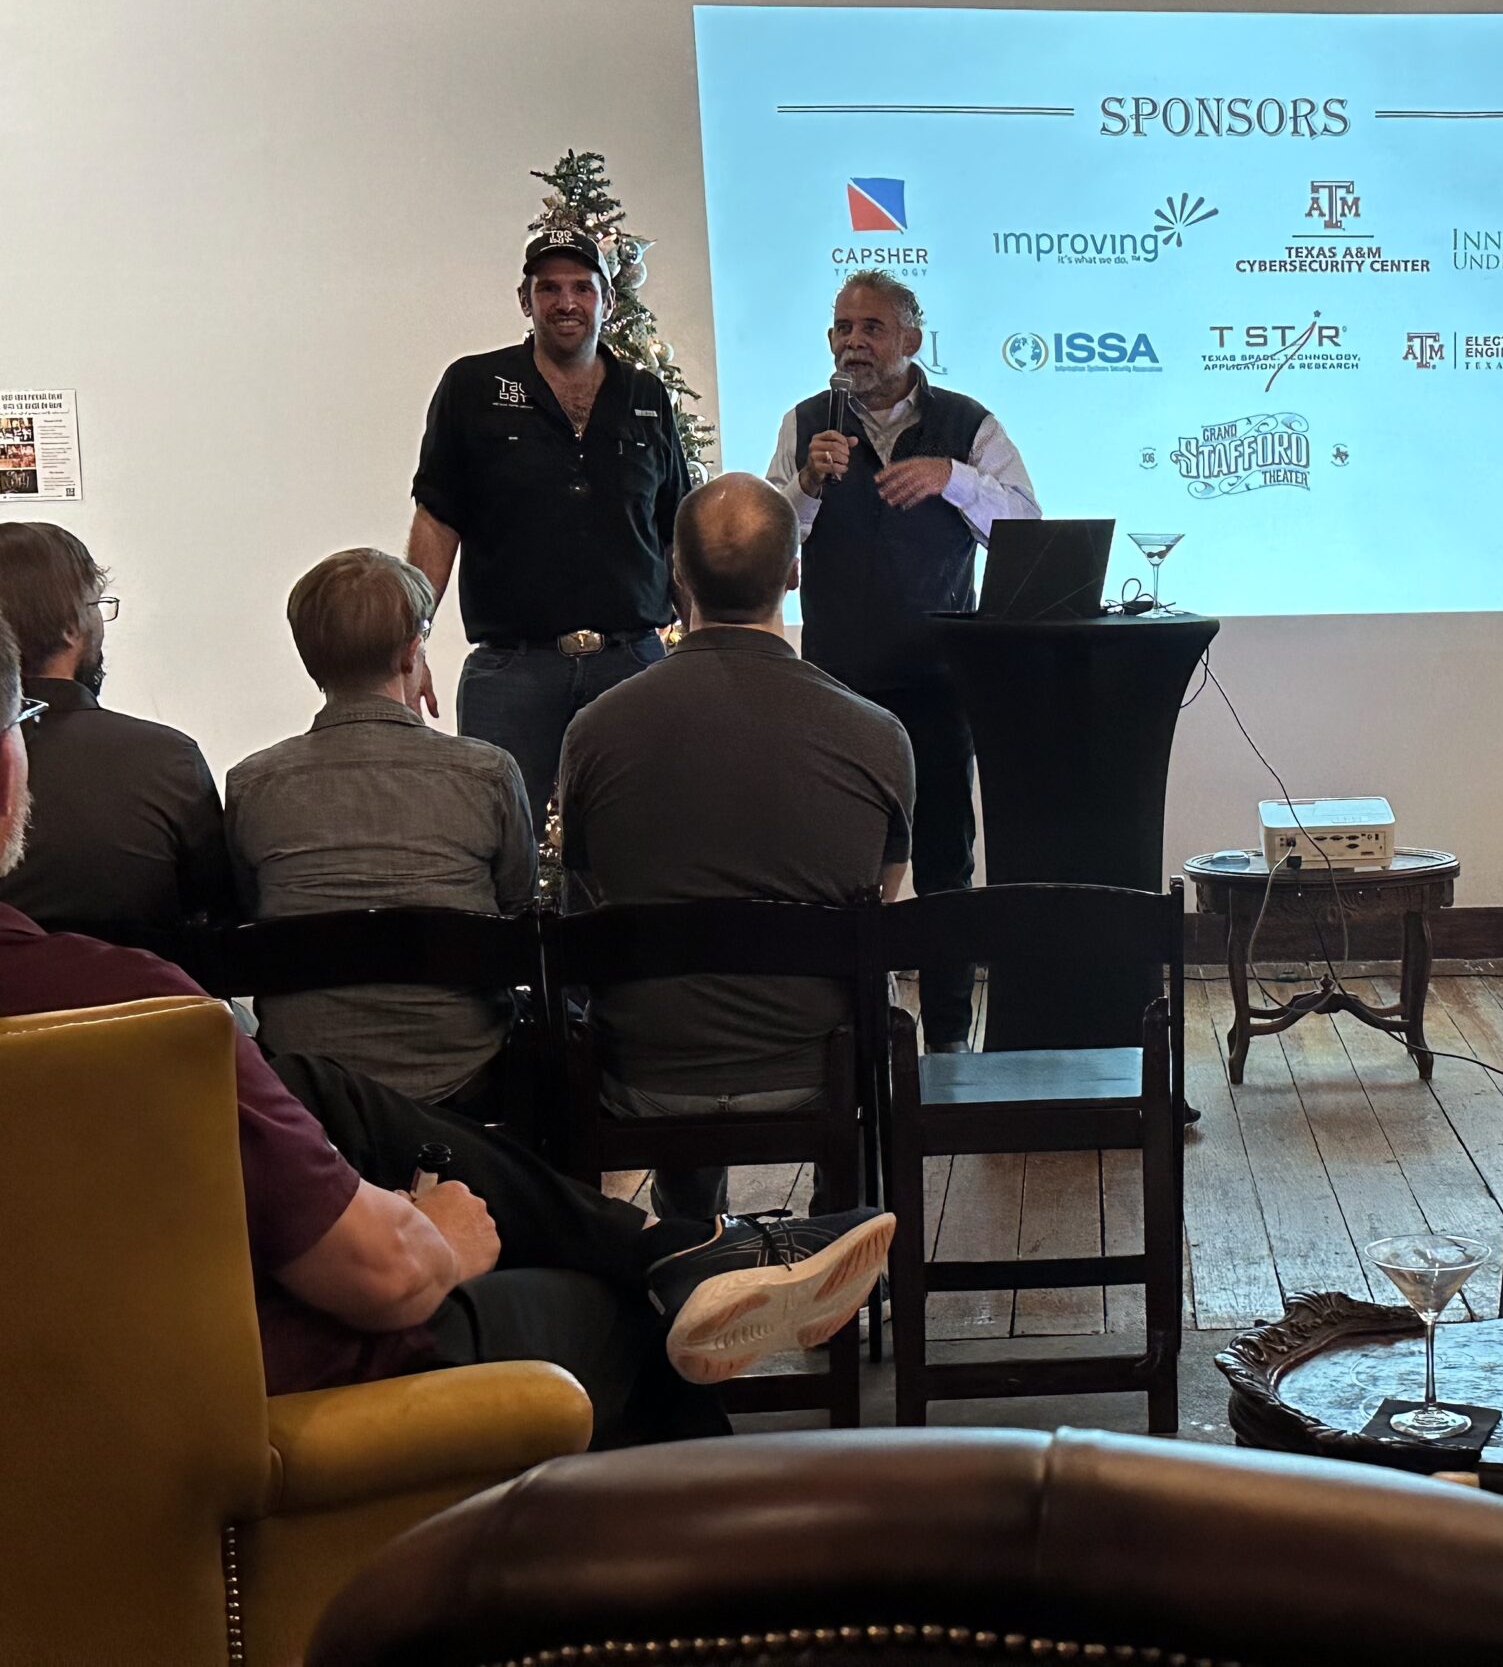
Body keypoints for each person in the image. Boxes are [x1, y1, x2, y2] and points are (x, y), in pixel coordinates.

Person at [0, 612, 894, 1446]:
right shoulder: (130, 1010)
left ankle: (675, 1246)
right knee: (614, 1320)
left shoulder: (247, 796)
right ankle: (720, 1543)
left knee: (316, 1084)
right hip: (248, 1373)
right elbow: (383, 1278)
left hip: (76, 1385)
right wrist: (439, 1237)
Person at [558, 473, 915, 1220]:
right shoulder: (876, 735)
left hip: (647, 1071)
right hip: (818, 1067)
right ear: (794, 573)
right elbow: (878, 900)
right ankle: (840, 1232)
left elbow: (588, 890)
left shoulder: (593, 731)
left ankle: (690, 1237)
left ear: (677, 574)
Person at [764, 269, 1038, 1052]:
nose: (853, 342)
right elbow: (770, 547)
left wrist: (955, 480)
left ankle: (948, 1039)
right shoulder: (806, 424)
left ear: (912, 340)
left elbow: (1025, 525)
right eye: (843, 327)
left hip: (938, 685)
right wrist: (806, 484)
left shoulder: (967, 424)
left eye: (872, 327)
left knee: (946, 864)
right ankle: (848, 1034)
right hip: (836, 687)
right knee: (838, 864)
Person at [225, 548, 535, 1108]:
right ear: (413, 652)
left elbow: (251, 913)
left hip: (312, 1083)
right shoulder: (486, 774)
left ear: (310, 660)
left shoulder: (252, 785)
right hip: (465, 1072)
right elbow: (515, 912)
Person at [406, 227, 690, 818]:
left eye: (582, 288)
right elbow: (437, 520)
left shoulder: (645, 395)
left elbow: (675, 534)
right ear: (524, 300)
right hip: (511, 670)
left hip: (632, 664)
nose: (566, 303)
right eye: (549, 288)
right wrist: (412, 641)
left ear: (607, 302)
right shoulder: (473, 388)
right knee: (495, 839)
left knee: (638, 840)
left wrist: (704, 646)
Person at [0, 520, 228, 949]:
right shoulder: (168, 759)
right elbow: (216, 915)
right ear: (72, 626)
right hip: (142, 991)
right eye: (96, 605)